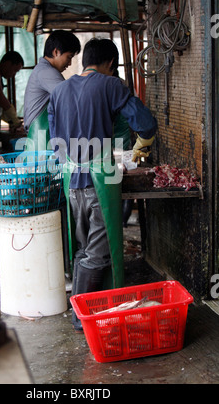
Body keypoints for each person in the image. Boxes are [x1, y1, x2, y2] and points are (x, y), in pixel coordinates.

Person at [47, 38, 157, 332]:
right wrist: (143, 143)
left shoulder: (59, 92)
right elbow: (144, 122)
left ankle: (95, 307)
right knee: (97, 252)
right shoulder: (111, 85)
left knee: (84, 247)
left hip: (72, 183)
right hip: (100, 183)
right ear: (110, 63)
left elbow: (55, 143)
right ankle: (80, 316)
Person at [23, 30, 81, 150]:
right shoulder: (46, 72)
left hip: (43, 138)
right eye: (69, 57)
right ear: (56, 52)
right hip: (40, 141)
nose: (69, 63)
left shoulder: (44, 70)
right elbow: (71, 99)